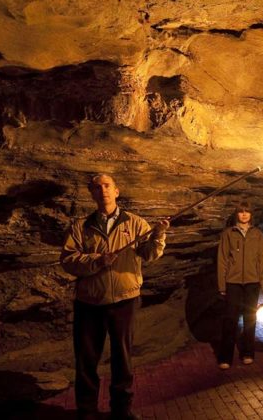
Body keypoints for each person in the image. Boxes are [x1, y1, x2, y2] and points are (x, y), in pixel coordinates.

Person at [60, 173, 170, 420]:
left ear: (117, 191)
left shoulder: (135, 224)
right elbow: (68, 260)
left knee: (123, 359)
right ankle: (87, 411)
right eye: (97, 188)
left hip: (125, 300)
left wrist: (159, 235)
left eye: (107, 186)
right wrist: (97, 260)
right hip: (89, 303)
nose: (103, 191)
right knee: (87, 360)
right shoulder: (81, 227)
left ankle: (121, 410)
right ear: (92, 194)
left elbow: (149, 254)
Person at [216, 201, 263, 369]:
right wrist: (222, 285)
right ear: (236, 214)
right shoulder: (228, 234)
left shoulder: (258, 234)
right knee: (230, 320)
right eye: (241, 212)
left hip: (252, 282)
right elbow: (222, 260)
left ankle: (247, 353)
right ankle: (225, 357)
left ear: (251, 215)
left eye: (247, 211)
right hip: (233, 282)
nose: (244, 214)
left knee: (250, 319)